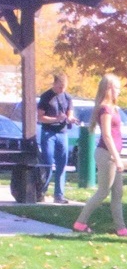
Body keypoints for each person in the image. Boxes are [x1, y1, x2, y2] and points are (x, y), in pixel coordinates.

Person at [73, 74, 127, 237]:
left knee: (118, 192)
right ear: (108, 89)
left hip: (113, 154)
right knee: (103, 192)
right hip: (107, 154)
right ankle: (80, 222)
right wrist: (116, 157)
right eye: (117, 88)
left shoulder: (113, 108)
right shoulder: (105, 109)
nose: (119, 91)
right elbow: (106, 135)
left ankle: (121, 228)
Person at [37, 73, 75, 204]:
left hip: (62, 133)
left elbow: (69, 112)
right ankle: (41, 192)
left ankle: (59, 195)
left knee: (61, 164)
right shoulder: (46, 97)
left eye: (64, 87)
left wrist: (70, 118)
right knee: (47, 162)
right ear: (54, 84)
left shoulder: (67, 97)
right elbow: (40, 117)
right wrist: (55, 119)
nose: (61, 90)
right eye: (59, 87)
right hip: (49, 133)